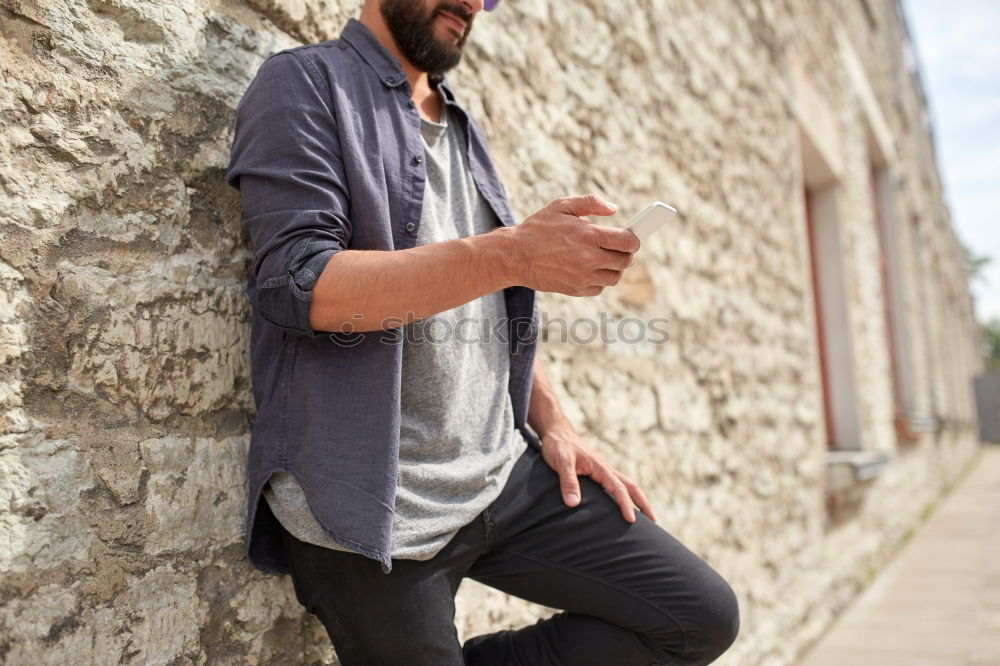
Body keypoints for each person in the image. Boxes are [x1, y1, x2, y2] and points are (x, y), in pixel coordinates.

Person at [226, 0, 740, 663]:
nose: (474, 2)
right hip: (367, 503)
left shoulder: (462, 126)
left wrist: (556, 424)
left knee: (698, 617)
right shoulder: (303, 83)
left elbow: (485, 301)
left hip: (501, 471)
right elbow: (302, 287)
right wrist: (514, 253)